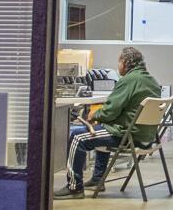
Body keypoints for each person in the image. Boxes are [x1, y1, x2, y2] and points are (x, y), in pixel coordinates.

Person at [58, 47, 162, 197]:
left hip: (127, 136)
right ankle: (98, 179)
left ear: (125, 63)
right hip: (146, 136)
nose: (118, 65)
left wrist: (94, 114)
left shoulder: (129, 80)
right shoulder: (151, 80)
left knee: (77, 137)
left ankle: (74, 188)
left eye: (119, 62)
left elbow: (110, 111)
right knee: (103, 127)